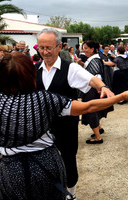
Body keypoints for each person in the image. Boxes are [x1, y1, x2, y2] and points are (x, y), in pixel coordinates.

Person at [0, 51, 128, 200]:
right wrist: (121, 96)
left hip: (11, 170)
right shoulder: (43, 99)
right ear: (30, 75)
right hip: (46, 165)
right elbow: (88, 107)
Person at [35, 28, 114, 199]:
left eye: (48, 48)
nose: (45, 52)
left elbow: (91, 79)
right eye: (41, 48)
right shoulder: (35, 69)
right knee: (43, 160)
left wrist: (103, 87)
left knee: (68, 160)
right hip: (41, 127)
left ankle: (71, 193)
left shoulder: (69, 68)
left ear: (58, 47)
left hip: (66, 126)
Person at [81, 40, 114, 144]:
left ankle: (98, 137)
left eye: (86, 48)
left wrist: (97, 88)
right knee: (95, 111)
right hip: (93, 90)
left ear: (92, 49)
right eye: (83, 48)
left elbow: (97, 76)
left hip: (91, 91)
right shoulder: (95, 59)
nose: (83, 50)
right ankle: (99, 128)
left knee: (91, 112)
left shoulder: (94, 60)